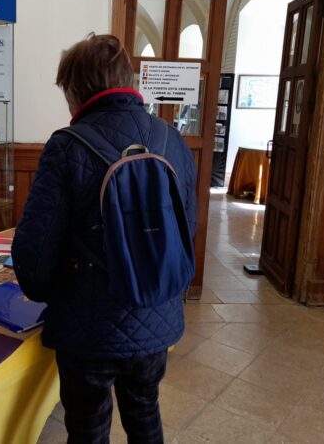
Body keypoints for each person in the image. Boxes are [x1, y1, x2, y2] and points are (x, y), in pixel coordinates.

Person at [12, 33, 197, 444]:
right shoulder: (172, 140)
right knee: (145, 411)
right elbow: (188, 228)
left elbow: (35, 249)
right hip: (156, 314)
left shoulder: (66, 146)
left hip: (87, 328)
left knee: (88, 427)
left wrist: (42, 292)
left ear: (76, 88)